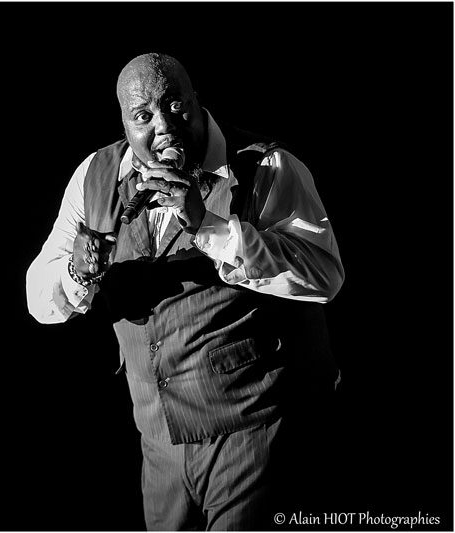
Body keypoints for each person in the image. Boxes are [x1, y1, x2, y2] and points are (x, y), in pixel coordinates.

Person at [26, 53, 344, 530]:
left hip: (253, 432)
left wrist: (208, 226)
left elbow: (324, 275)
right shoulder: (95, 177)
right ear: (125, 124)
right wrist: (79, 271)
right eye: (143, 116)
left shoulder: (264, 165)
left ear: (197, 101)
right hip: (159, 446)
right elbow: (39, 301)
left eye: (175, 106)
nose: (164, 127)